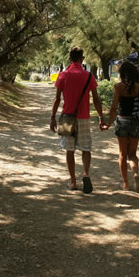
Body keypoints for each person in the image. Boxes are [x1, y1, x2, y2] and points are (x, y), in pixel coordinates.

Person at [50, 47, 106, 193]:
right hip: (84, 117)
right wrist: (101, 117)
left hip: (67, 117)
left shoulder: (63, 75)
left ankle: (73, 181)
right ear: (82, 58)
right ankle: (86, 174)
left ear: (70, 58)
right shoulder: (89, 76)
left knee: (69, 150)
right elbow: (96, 99)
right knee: (86, 148)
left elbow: (57, 99)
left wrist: (52, 117)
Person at [102, 61, 139, 192]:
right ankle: (136, 174)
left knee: (122, 155)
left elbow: (114, 107)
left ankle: (125, 183)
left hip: (122, 121)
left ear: (122, 73)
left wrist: (109, 123)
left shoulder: (118, 87)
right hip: (136, 122)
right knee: (133, 154)